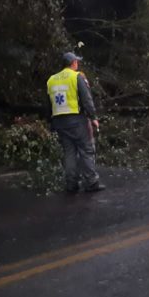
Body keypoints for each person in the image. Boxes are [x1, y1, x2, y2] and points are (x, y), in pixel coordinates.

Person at [46, 52, 105, 194]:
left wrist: (51, 122)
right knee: (86, 150)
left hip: (59, 121)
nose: (77, 64)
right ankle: (91, 182)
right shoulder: (76, 76)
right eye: (77, 61)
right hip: (76, 120)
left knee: (69, 153)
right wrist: (93, 117)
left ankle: (71, 184)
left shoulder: (51, 80)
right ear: (73, 63)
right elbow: (86, 99)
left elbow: (48, 104)